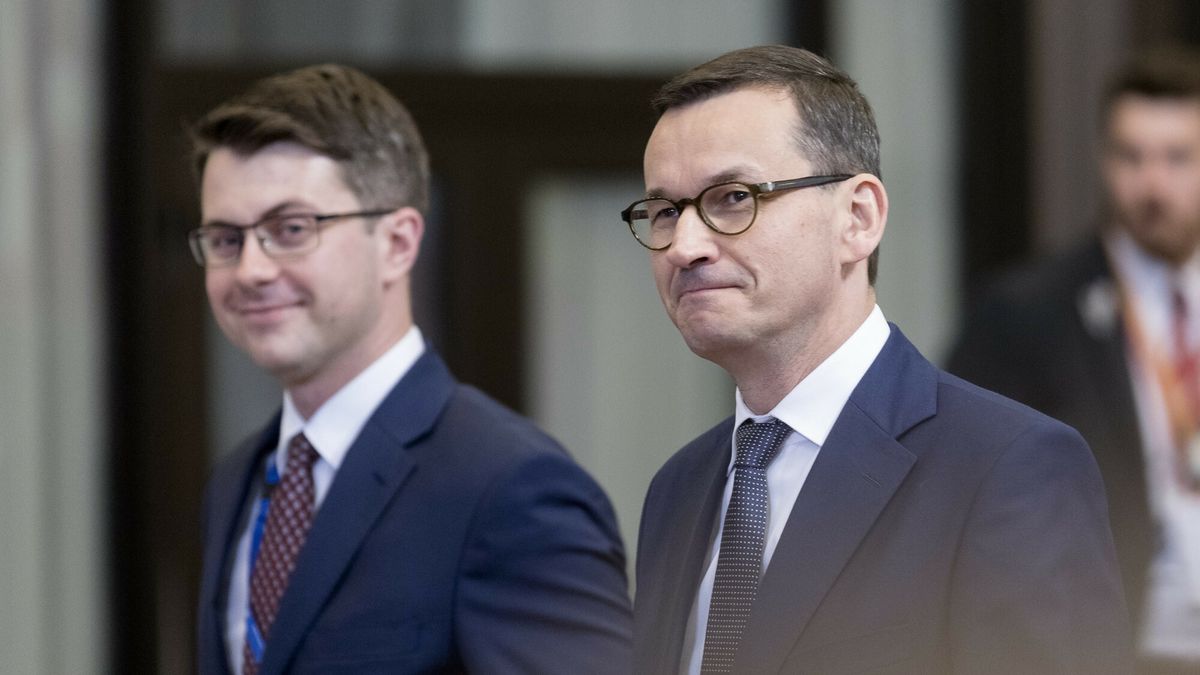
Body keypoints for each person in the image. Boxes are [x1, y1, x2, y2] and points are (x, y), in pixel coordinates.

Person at [624, 45, 1131, 674]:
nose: (685, 246)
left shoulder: (1006, 466)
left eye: (733, 197)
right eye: (666, 211)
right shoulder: (681, 486)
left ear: (858, 219)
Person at [189, 64, 631, 675]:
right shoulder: (237, 481)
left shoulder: (508, 488)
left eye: (290, 230)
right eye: (224, 239)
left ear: (397, 243)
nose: (251, 271)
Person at [949, 48, 1200, 674]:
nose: (1153, 185)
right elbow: (961, 488)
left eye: (1177, 158)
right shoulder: (1027, 313)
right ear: (1102, 159)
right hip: (1110, 645)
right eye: (1131, 157)